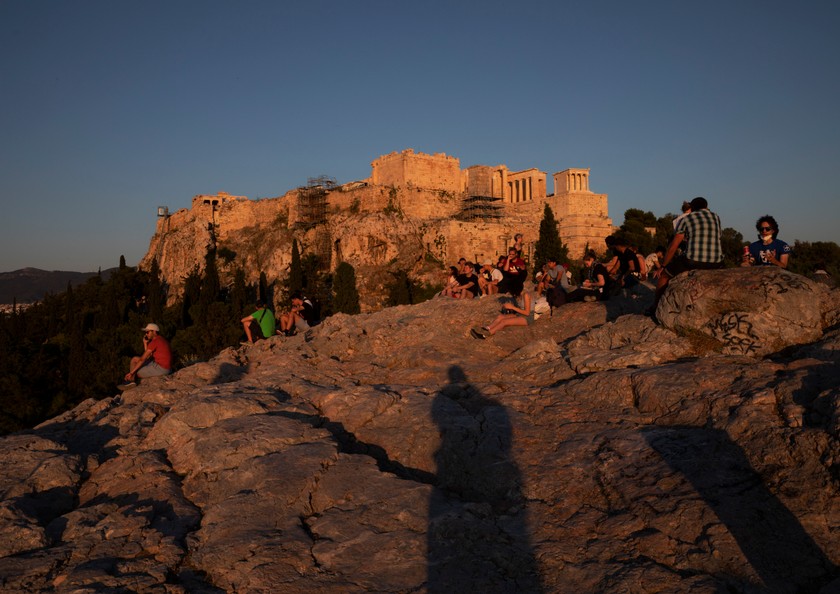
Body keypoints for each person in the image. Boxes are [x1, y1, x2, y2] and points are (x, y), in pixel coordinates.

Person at [653, 197, 723, 311]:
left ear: (692, 208)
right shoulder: (716, 217)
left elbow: (674, 245)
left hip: (693, 260)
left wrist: (663, 266)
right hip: (716, 262)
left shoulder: (688, 218)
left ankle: (655, 307)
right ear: (706, 206)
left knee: (664, 276)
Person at [118, 323, 172, 390]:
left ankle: (131, 381)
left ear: (154, 331)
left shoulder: (155, 341)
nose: (146, 334)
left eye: (147, 332)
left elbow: (142, 359)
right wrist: (145, 343)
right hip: (162, 366)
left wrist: (131, 373)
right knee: (134, 359)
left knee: (137, 371)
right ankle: (131, 382)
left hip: (162, 369)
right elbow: (148, 356)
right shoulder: (160, 339)